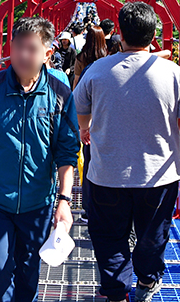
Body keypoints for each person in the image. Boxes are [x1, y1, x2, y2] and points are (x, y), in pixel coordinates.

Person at [73, 2, 180, 302]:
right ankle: (147, 282)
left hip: (107, 174)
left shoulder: (97, 70)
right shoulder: (173, 73)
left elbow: (79, 109)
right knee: (153, 234)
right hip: (159, 176)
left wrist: (85, 127)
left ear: (120, 34)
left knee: (109, 236)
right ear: (153, 36)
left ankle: (115, 291)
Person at [0, 16, 80, 302]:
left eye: (32, 49)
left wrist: (64, 201)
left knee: (28, 272)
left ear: (48, 54)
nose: (23, 55)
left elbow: (66, 152)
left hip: (38, 202)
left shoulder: (59, 94)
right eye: (17, 47)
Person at [71, 24, 108, 223]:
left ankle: (87, 208)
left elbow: (77, 86)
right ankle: (106, 207)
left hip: (87, 116)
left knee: (87, 161)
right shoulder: (108, 59)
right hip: (105, 116)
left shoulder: (81, 59)